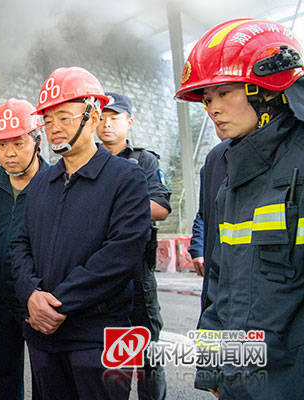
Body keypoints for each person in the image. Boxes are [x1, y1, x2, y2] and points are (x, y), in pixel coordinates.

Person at [176, 18, 304, 399]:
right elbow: (220, 282)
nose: (212, 108)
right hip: (240, 380)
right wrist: (214, 368)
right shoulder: (230, 167)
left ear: (267, 88)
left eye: (224, 92)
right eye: (207, 98)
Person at [12, 67, 151, 399]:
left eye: (64, 117)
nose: (55, 129)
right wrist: (31, 294)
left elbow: (121, 254)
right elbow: (18, 246)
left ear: (93, 115)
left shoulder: (126, 179)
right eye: (48, 121)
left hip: (100, 337)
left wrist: (58, 305)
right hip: (44, 336)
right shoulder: (39, 185)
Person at [97, 92, 171, 400]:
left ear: (129, 122)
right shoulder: (86, 161)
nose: (106, 124)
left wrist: (115, 202)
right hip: (100, 273)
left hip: (137, 273)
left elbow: (161, 207)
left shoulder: (144, 160)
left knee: (149, 356)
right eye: (100, 117)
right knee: (110, 359)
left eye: (114, 118)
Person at [0, 98, 49, 399]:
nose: (9, 154)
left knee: (46, 374)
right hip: (0, 297)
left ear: (36, 141)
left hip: (40, 297)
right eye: (2, 145)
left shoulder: (54, 182)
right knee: (4, 372)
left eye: (18, 144)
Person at [188, 139, 230, 313]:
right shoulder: (214, 158)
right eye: (209, 110)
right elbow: (204, 212)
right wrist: (198, 247)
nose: (216, 113)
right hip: (216, 262)